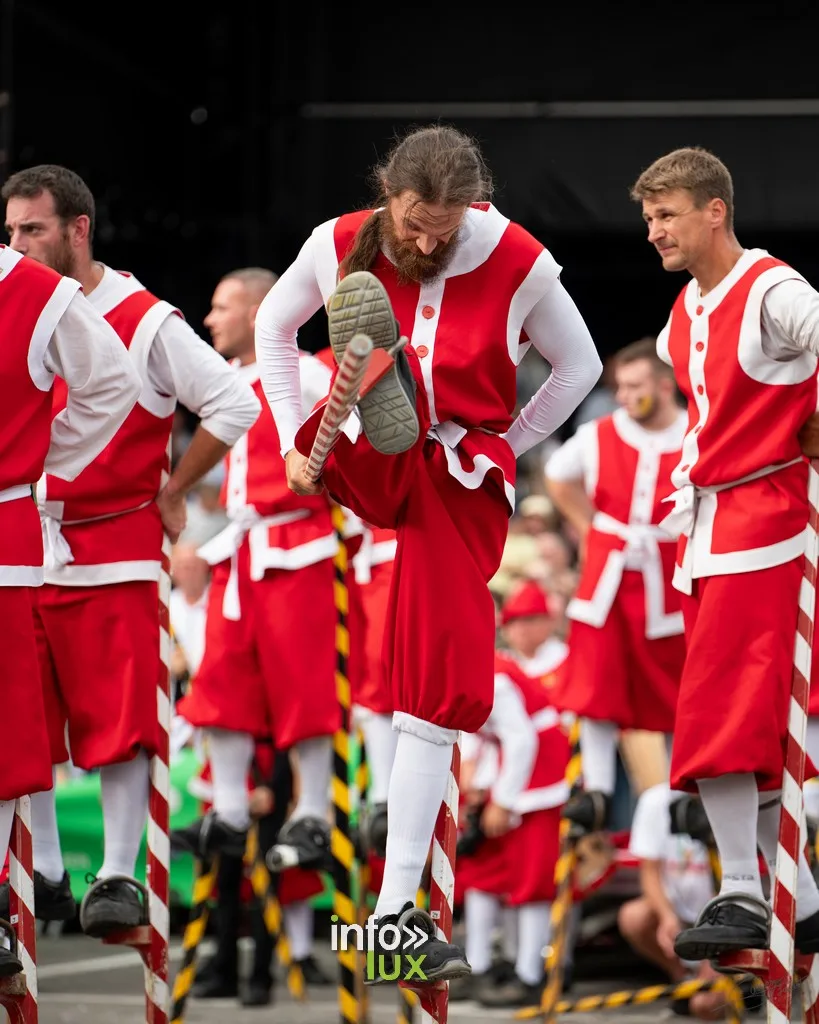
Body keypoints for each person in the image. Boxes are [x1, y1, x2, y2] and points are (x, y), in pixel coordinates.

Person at [254, 123, 602, 982]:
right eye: (412, 223)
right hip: (367, 459)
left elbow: (579, 364)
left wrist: (503, 443)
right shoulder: (341, 237)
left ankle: (388, 919)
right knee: (431, 689)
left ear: (471, 209)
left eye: (442, 229)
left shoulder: (520, 258)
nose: (424, 241)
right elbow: (271, 328)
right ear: (389, 193)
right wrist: (292, 437)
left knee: (438, 690)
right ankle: (367, 399)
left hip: (458, 472)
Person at [1, 165, 261, 937]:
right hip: (24, 541)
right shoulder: (16, 304)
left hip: (110, 541)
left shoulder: (144, 318)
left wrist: (174, 486)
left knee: (118, 717)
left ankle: (117, 870)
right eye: (10, 231)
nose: (17, 244)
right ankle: (43, 870)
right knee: (25, 720)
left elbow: (232, 399)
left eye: (33, 229)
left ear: (79, 229)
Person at [629, 146, 819, 960]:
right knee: (739, 714)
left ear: (715, 210)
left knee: (725, 709)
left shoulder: (773, 288)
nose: (653, 232)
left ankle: (744, 887)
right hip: (712, 525)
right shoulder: (682, 316)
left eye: (666, 214)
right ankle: (794, 895)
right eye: (646, 219)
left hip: (766, 518)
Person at [0, 243, 141, 972]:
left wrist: (42, 459)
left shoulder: (37, 291)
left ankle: (21, 893)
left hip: (21, 537)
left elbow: (113, 385)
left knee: (10, 730)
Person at [174, 267, 339, 866]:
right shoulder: (226, 380)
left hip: (298, 544)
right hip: (240, 549)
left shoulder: (312, 371)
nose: (210, 319)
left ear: (261, 309)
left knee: (302, 681)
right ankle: (228, 809)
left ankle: (315, 810)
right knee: (219, 676)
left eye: (223, 307)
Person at [544, 338, 688, 833]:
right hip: (607, 574)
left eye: (635, 386)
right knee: (596, 676)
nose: (624, 396)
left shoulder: (695, 434)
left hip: (667, 574)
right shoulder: (598, 433)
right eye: (620, 387)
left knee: (675, 681)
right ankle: (598, 790)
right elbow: (558, 477)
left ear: (665, 386)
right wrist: (590, 529)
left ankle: (683, 785)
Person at [455, 648, 570, 1008]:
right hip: (504, 766)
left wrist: (503, 800)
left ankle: (530, 975)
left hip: (537, 773)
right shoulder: (469, 668)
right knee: (483, 871)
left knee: (532, 878)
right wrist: (472, 779)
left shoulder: (494, 676)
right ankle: (476, 967)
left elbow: (522, 739)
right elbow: (478, 728)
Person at [618, 783, 731, 1021]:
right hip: (682, 910)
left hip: (726, 914)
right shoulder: (656, 800)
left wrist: (715, 932)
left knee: (706, 1006)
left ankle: (747, 989)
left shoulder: (732, 794)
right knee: (633, 917)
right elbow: (649, 871)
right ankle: (683, 978)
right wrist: (667, 916)